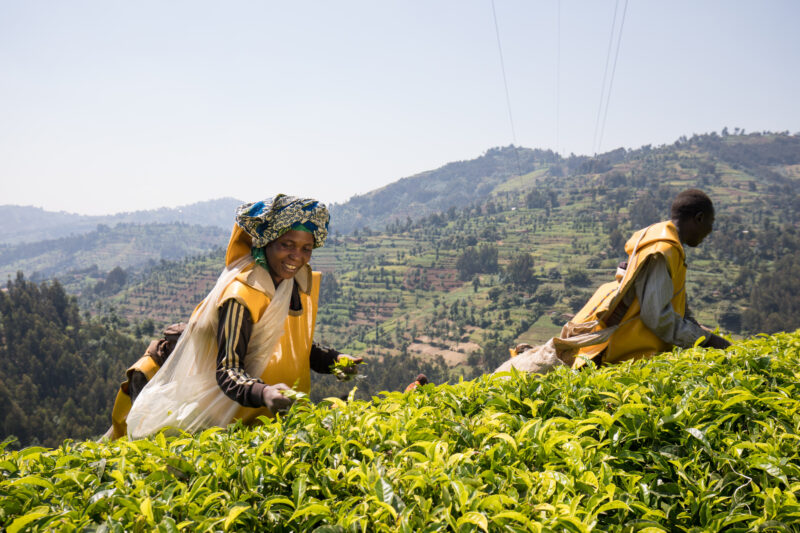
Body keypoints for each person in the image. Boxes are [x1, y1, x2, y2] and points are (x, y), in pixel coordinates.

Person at [122, 195, 361, 439]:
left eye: (305, 248)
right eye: (287, 245)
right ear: (266, 243)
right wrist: (264, 393)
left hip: (270, 422)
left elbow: (290, 346)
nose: (296, 256)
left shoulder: (290, 285)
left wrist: (334, 359)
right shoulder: (241, 296)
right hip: (224, 418)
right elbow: (228, 370)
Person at [497, 188, 730, 374]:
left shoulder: (659, 243)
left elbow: (674, 300)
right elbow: (656, 317)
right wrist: (706, 341)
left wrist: (700, 331)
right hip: (625, 354)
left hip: (624, 348)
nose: (710, 230)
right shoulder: (663, 251)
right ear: (698, 219)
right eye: (710, 222)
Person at [106, 322, 186, 439]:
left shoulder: (173, 362)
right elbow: (138, 417)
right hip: (126, 434)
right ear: (168, 344)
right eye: (181, 347)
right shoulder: (144, 370)